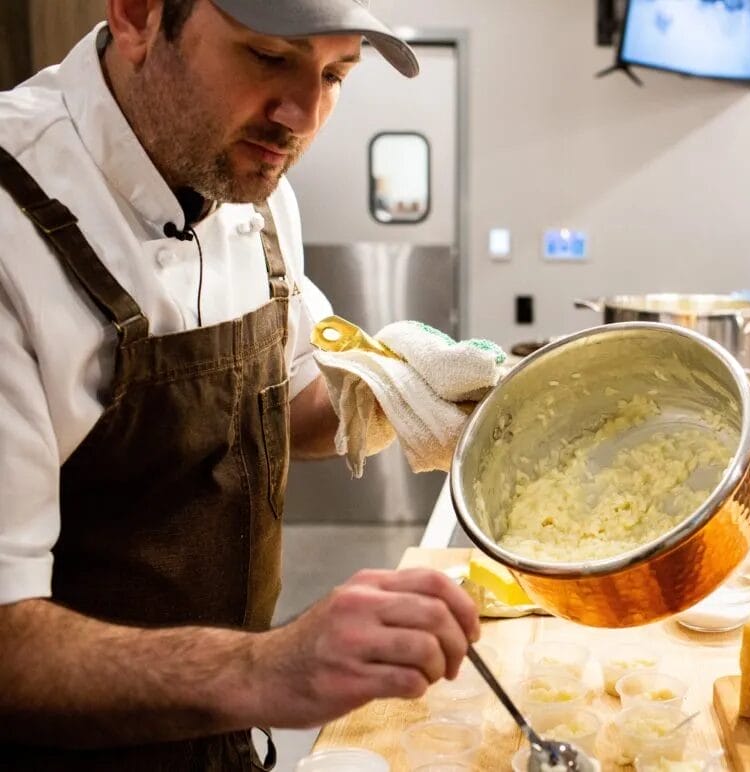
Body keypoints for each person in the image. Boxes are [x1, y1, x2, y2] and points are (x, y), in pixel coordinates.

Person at [0, 1, 479, 769]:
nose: (303, 116)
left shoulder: (254, 193)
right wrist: (268, 667)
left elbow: (282, 407)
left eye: (333, 75)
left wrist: (401, 395)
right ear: (137, 17)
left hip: (217, 743)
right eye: (266, 57)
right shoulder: (11, 224)